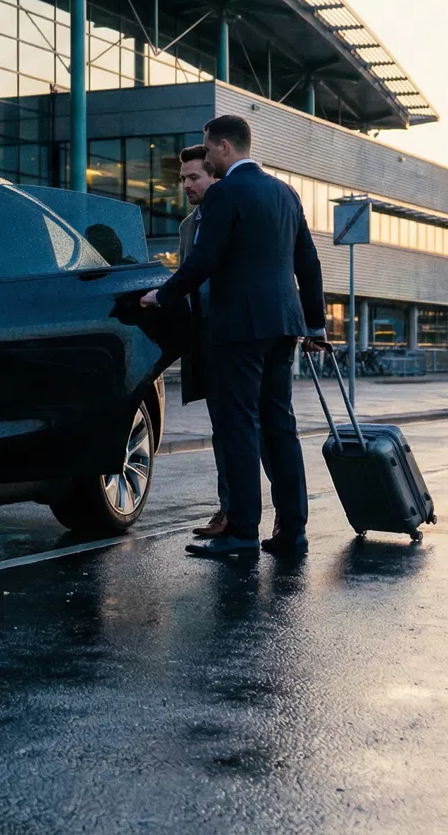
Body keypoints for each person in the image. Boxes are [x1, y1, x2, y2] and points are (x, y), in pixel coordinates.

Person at [140, 115, 327, 557]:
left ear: (224, 147)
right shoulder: (285, 193)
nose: (206, 158)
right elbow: (309, 262)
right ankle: (292, 531)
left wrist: (161, 296)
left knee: (239, 426)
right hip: (284, 324)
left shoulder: (225, 192)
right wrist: (315, 325)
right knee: (280, 426)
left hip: (238, 329)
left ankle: (242, 532)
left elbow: (203, 261)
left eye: (208, 150)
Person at [175, 144, 229, 539]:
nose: (186, 185)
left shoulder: (233, 212)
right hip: (207, 337)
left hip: (240, 333)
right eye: (183, 179)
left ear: (214, 174)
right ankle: (228, 509)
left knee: (253, 429)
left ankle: (276, 513)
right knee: (223, 429)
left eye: (194, 177)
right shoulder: (187, 226)